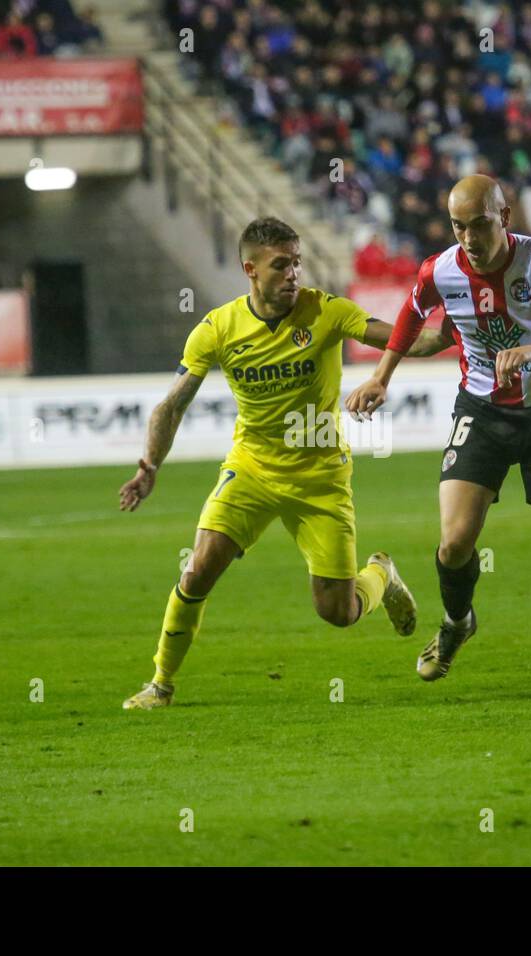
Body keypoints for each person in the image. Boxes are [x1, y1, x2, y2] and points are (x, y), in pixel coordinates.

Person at [117, 217, 434, 709]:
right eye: (281, 265)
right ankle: (160, 684)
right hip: (252, 469)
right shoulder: (218, 328)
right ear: (250, 269)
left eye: (297, 263)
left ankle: (381, 576)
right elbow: (171, 405)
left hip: (320, 477)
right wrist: (149, 466)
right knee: (197, 571)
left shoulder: (327, 311)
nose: (293, 274)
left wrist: (461, 329)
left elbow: (407, 340)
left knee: (338, 612)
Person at [344, 175, 531, 688]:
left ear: (504, 217)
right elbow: (410, 315)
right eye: (458, 226)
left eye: (480, 225)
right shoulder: (440, 270)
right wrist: (381, 377)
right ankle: (457, 623)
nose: (468, 238)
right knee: (454, 545)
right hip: (482, 414)